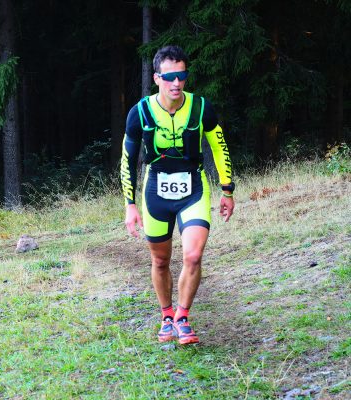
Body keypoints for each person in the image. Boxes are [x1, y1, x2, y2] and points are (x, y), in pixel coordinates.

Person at [120, 45, 235, 345]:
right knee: (160, 261)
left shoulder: (200, 108)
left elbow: (219, 147)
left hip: (193, 188)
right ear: (157, 78)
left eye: (181, 75)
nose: (176, 83)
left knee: (193, 255)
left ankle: (183, 318)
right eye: (169, 76)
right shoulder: (140, 112)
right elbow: (127, 160)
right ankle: (166, 315)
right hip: (155, 189)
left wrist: (227, 189)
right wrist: (130, 204)